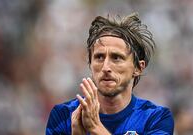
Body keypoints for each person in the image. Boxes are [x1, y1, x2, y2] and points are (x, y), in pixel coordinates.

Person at [46, 13, 174, 135]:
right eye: (99, 57)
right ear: (90, 64)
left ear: (138, 68)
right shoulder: (63, 115)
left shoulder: (155, 118)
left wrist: (95, 127)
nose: (106, 67)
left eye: (116, 57)